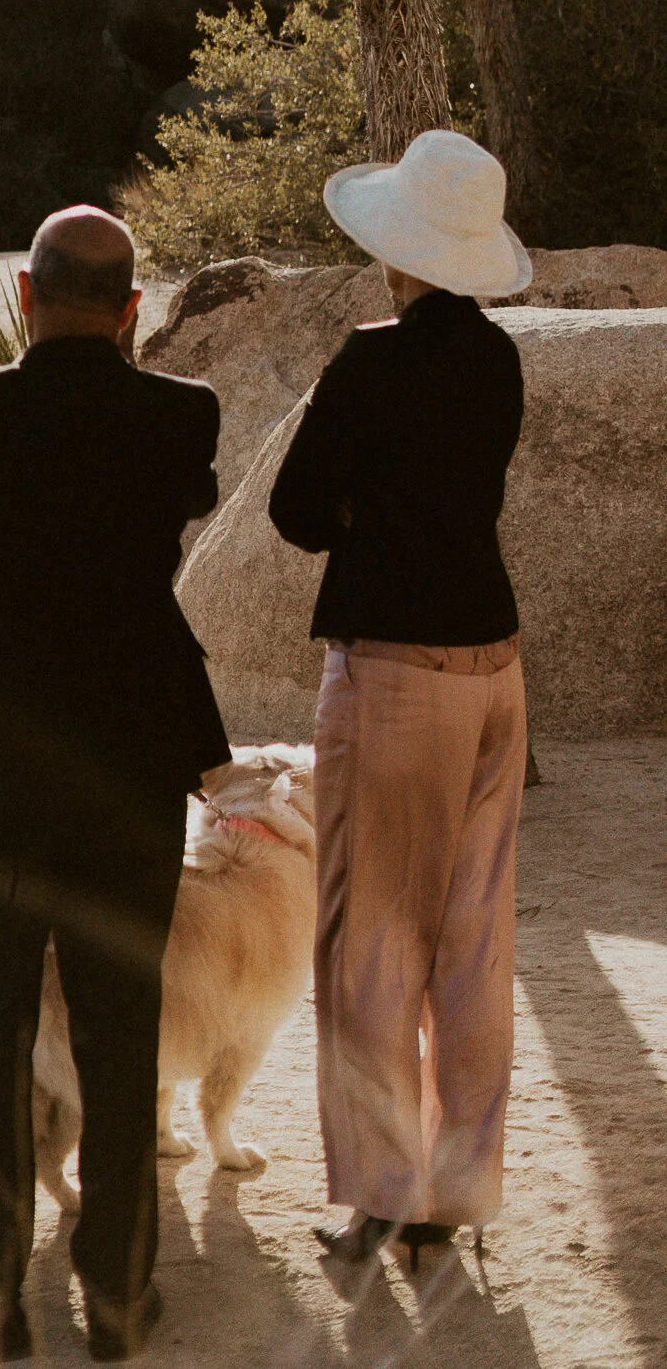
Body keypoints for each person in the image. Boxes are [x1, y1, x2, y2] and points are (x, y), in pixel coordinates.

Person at [0, 207, 229, 1363]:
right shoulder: (183, 416)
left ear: (25, 294)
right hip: (127, 773)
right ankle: (119, 1293)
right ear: (130, 309)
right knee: (123, 1039)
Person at [268, 130, 531, 1272]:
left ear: (401, 249)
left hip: (393, 666)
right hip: (494, 656)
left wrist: (361, 517)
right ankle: (460, 1188)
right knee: (474, 936)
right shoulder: (502, 362)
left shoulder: (369, 361)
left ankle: (383, 1189)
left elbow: (294, 509)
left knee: (370, 934)